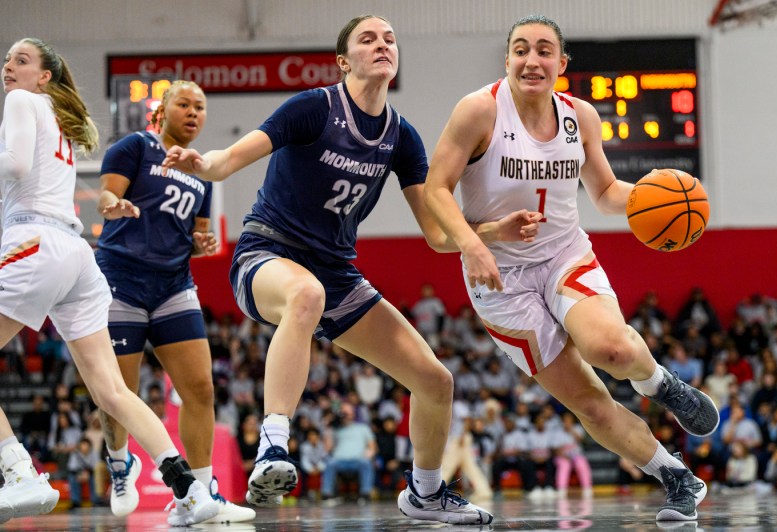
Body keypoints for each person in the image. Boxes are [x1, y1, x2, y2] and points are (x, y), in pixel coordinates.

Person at [161, 14, 540, 525]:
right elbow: (228, 160)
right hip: (267, 253)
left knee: (435, 381)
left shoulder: (401, 137)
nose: (382, 44)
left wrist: (491, 232)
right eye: (368, 39)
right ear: (344, 61)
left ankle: (425, 494)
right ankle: (273, 444)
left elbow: (436, 235)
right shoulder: (312, 107)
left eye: (389, 39)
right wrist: (201, 166)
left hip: (336, 273)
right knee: (305, 295)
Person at [423, 15, 720, 522]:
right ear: (508, 59)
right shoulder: (478, 111)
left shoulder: (579, 116)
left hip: (565, 254)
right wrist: (475, 242)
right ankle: (677, 477)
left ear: (561, 64)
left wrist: (657, 196)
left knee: (611, 347)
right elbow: (435, 190)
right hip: (501, 281)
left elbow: (604, 194)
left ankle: (660, 384)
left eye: (543, 50)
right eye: (520, 49)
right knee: (586, 398)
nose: (531, 59)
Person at [0, 38, 217, 526]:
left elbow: (13, 167)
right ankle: (188, 489)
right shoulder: (59, 121)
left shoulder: (21, 102)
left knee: (123, 389)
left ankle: (20, 474)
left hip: (38, 244)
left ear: (44, 76)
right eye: (7, 60)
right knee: (113, 391)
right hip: (78, 256)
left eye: (21, 60)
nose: (8, 67)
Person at [94, 79, 254, 523]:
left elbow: (197, 233)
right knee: (117, 393)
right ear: (162, 111)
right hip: (120, 281)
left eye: (200, 107)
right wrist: (113, 205)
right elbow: (108, 195)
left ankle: (197, 496)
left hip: (173, 286)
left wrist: (201, 241)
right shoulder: (134, 148)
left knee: (200, 390)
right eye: (184, 103)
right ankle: (120, 463)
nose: (193, 113)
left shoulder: (200, 172)